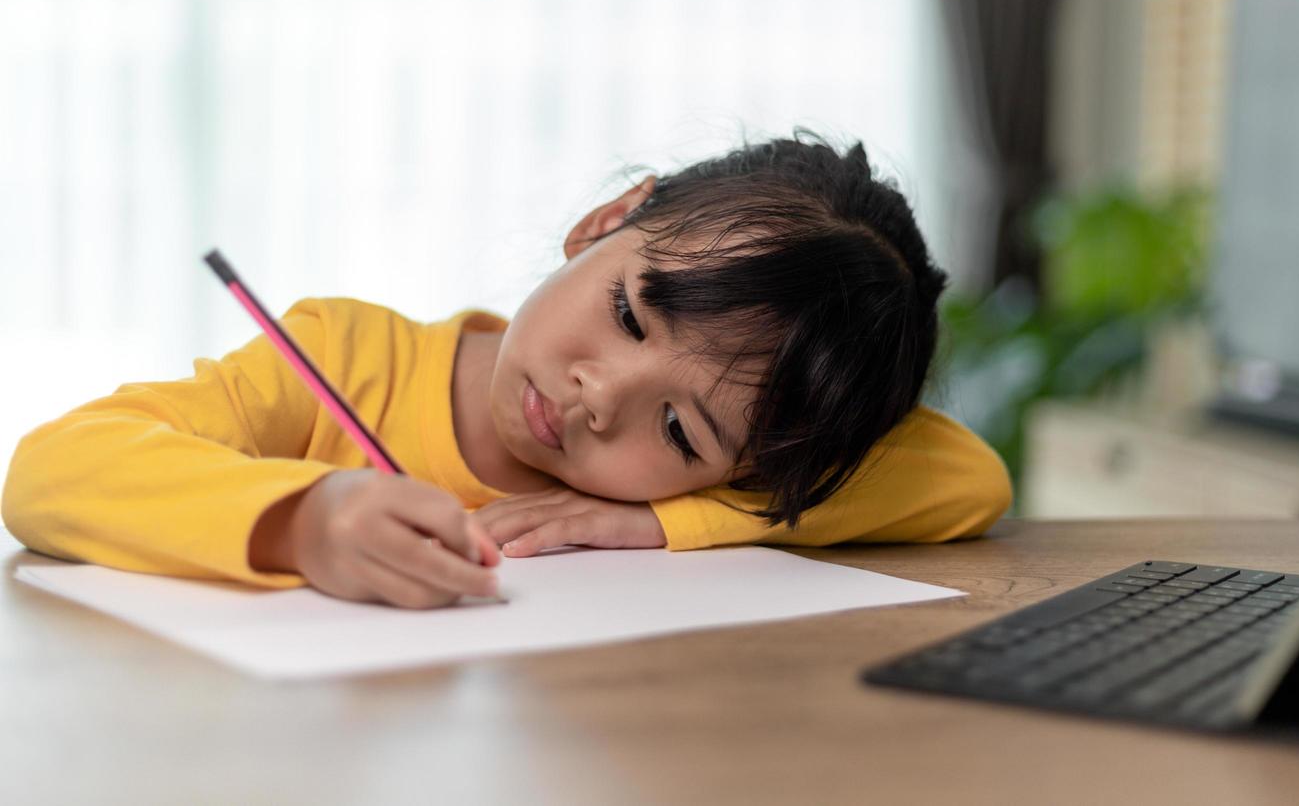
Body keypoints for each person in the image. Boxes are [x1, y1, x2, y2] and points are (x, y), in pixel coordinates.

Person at [3, 135, 1011, 609]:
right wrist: (304, 518)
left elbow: (968, 477)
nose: (600, 395)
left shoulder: (713, 479)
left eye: (679, 431)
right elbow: (52, 470)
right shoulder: (346, 358)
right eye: (628, 311)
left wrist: (662, 518)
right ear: (605, 221)